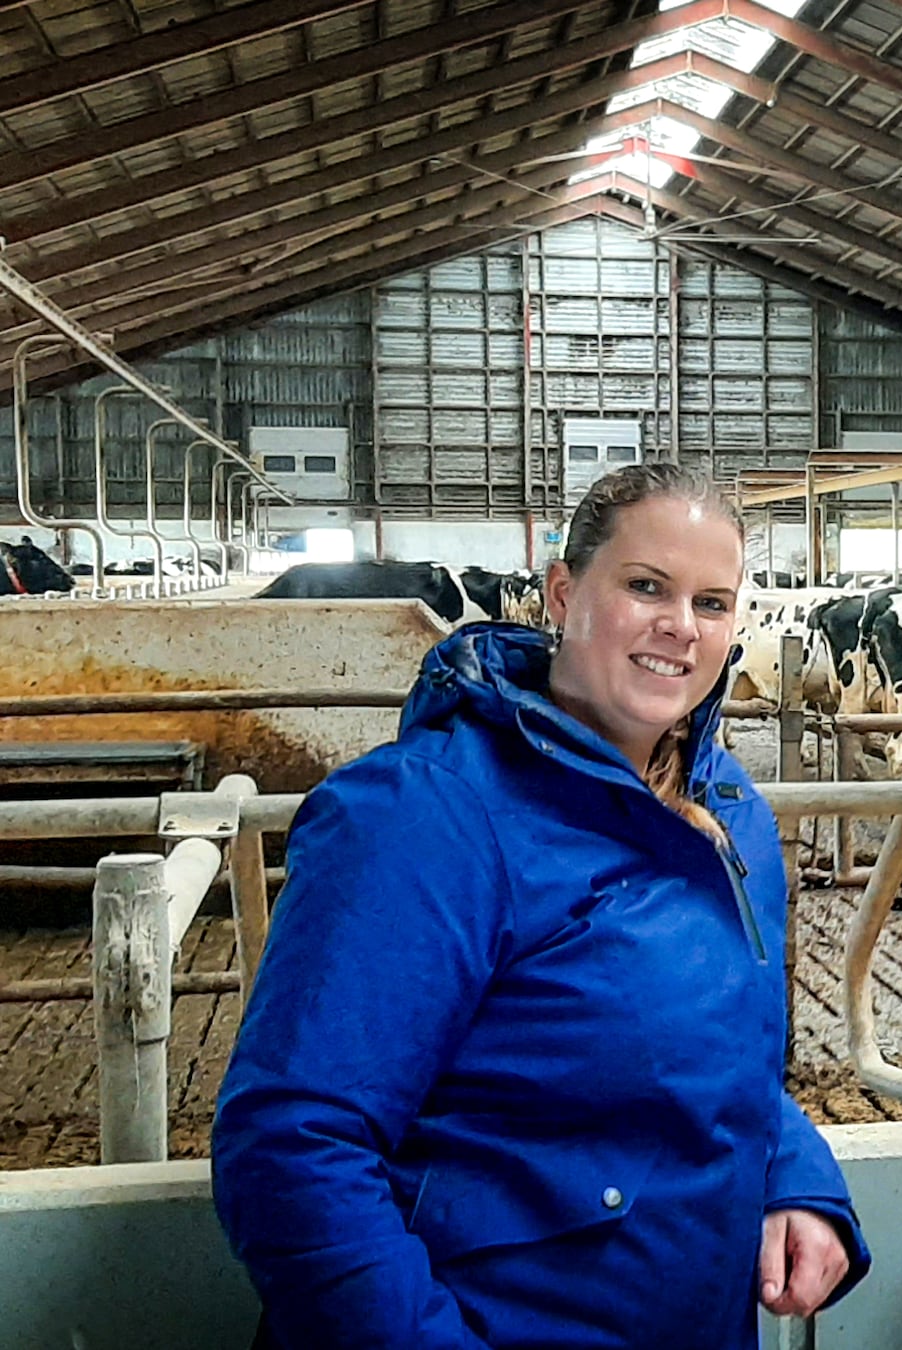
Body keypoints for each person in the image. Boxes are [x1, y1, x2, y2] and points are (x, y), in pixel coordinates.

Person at [213, 463, 868, 1349]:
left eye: (712, 603)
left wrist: (794, 1176)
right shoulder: (425, 816)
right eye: (646, 587)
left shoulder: (729, 811)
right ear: (562, 594)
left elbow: (725, 1062)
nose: (681, 626)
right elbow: (293, 1147)